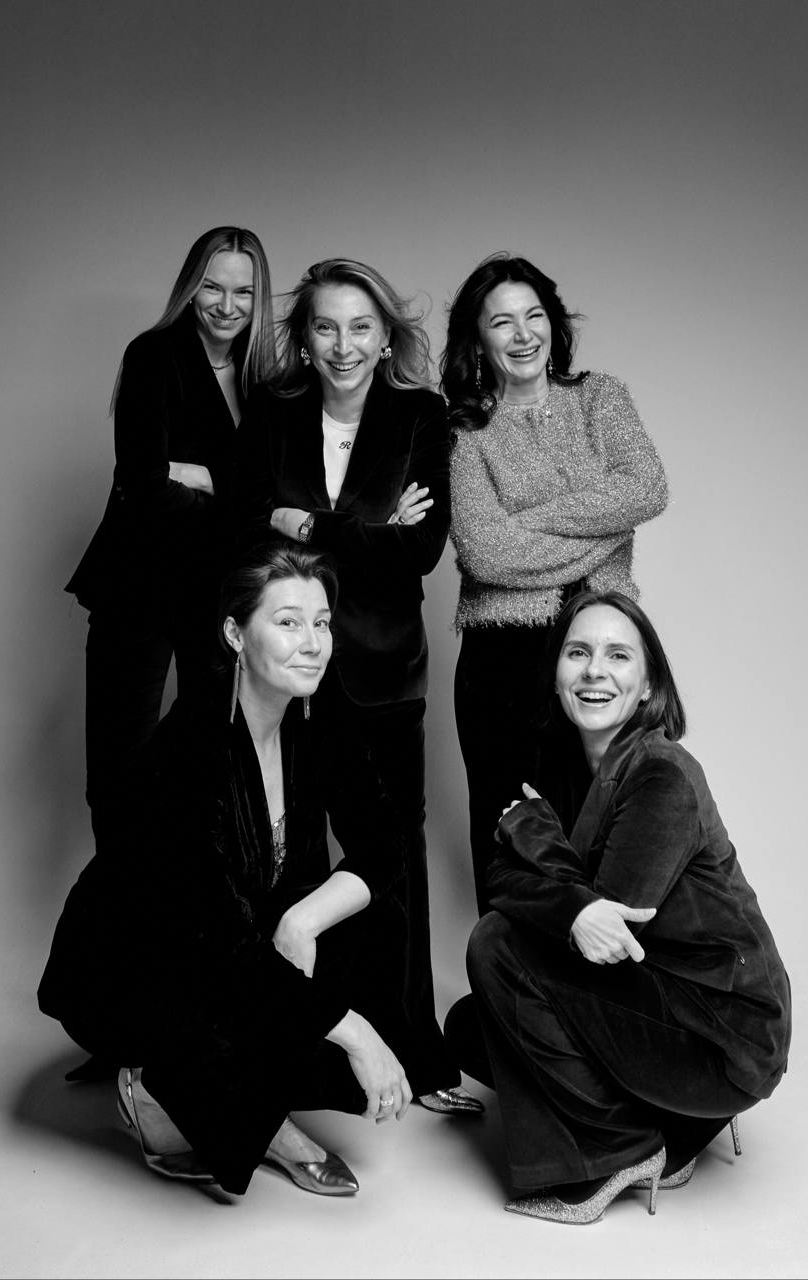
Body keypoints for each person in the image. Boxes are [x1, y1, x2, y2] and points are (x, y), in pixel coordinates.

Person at [38, 544, 415, 1197]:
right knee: (230, 991)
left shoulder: (316, 711)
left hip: (232, 938)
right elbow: (217, 942)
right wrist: (356, 1033)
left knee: (372, 924)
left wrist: (303, 920)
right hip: (130, 964)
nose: (313, 644)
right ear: (236, 634)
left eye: (322, 623)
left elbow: (386, 842)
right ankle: (171, 1094)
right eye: (288, 622)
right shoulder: (189, 749)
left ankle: (239, 1096)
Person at [444, 591, 792, 1225]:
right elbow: (500, 877)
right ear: (555, 674)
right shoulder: (572, 765)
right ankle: (679, 1129)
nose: (594, 671)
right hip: (663, 999)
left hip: (723, 1034)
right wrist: (561, 890)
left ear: (649, 684)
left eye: (618, 655)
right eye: (577, 653)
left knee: (496, 944)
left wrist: (538, 841)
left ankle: (613, 1152)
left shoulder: (661, 775)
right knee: (474, 1026)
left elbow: (610, 932)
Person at [232, 258, 479, 1115]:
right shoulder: (273, 410)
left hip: (381, 672)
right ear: (304, 338)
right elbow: (245, 532)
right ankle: (293, 1040)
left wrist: (306, 523)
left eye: (360, 327)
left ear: (384, 339)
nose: (343, 345)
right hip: (283, 671)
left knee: (392, 856)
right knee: (284, 855)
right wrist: (368, 529)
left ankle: (416, 1051)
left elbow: (420, 550)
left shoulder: (419, 415)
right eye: (326, 327)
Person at [441, 252, 669, 915]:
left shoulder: (601, 398)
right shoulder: (465, 430)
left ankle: (596, 981)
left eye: (534, 315)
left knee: (604, 838)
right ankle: (509, 980)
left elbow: (646, 489)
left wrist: (525, 523)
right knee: (509, 848)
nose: (522, 335)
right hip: (501, 664)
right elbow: (485, 554)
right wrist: (605, 529)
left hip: (595, 645)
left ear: (553, 323)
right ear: (477, 339)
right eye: (501, 322)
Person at [66, 226, 275, 846]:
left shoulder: (264, 376)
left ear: (259, 296)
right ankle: (114, 898)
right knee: (119, 764)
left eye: (243, 291)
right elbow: (142, 485)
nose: (227, 305)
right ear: (190, 287)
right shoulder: (154, 355)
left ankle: (191, 900)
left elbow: (267, 494)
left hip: (220, 593)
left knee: (211, 763)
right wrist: (229, 491)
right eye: (212, 287)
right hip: (139, 584)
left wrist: (201, 476)